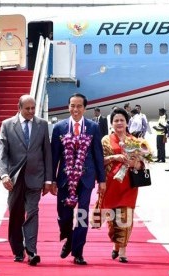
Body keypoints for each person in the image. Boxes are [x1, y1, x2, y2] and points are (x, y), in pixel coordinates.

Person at [0, 95, 54, 266]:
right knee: (16, 215)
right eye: (27, 108)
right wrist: (4, 174)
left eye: (33, 108)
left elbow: (47, 153)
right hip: (14, 179)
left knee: (32, 212)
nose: (31, 112)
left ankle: (31, 250)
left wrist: (48, 180)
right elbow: (3, 153)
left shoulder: (42, 125)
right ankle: (17, 250)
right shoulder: (8, 125)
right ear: (19, 107)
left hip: (35, 177)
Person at [51, 93, 106, 265]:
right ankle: (69, 237)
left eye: (79, 106)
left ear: (85, 108)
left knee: (82, 214)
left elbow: (98, 154)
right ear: (68, 107)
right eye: (72, 106)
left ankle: (78, 252)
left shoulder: (93, 127)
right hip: (65, 179)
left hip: (86, 178)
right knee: (64, 215)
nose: (75, 109)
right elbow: (54, 157)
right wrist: (51, 180)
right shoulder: (59, 127)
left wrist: (102, 179)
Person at [100, 108, 145, 263]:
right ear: (112, 123)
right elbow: (99, 161)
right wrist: (114, 157)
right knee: (113, 221)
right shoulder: (105, 140)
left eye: (122, 120)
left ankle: (123, 251)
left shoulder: (135, 141)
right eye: (116, 120)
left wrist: (135, 163)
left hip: (128, 185)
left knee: (125, 218)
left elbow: (143, 164)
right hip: (110, 184)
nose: (119, 123)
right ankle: (116, 245)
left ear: (127, 123)